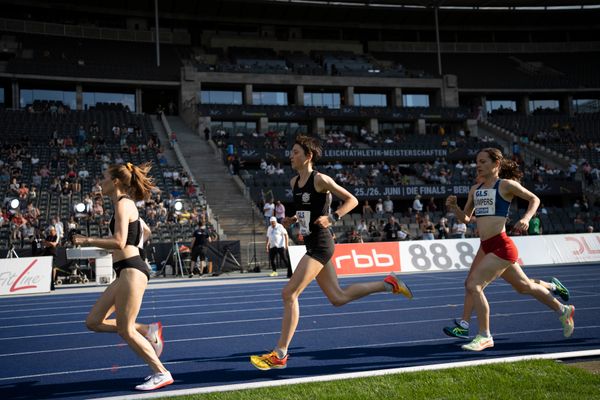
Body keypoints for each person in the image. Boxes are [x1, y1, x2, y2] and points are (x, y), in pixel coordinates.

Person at [250, 135, 413, 370]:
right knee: (338, 298)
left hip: (321, 245)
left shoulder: (320, 179)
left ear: (308, 156)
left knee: (289, 294)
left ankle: (280, 354)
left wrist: (333, 217)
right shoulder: (294, 182)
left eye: (295, 152)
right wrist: (292, 219)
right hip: (311, 243)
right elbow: (306, 209)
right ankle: (389, 284)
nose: (290, 156)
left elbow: (352, 200)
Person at [442, 148, 574, 351]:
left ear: (496, 165)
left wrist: (526, 218)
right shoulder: (475, 189)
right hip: (486, 246)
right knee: (524, 287)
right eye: (477, 161)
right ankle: (563, 309)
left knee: (473, 284)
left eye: (483, 161)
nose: (478, 165)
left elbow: (534, 199)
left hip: (502, 246)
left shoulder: (505, 185)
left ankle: (484, 335)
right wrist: (455, 208)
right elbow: (467, 219)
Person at [72, 162, 173, 390]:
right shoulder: (126, 205)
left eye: (105, 178)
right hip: (126, 270)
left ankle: (161, 372)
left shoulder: (123, 204)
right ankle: (147, 330)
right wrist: (136, 244)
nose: (101, 182)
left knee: (125, 329)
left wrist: (86, 240)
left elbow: (119, 241)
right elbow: (144, 230)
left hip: (131, 270)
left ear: (116, 181)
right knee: (93, 322)